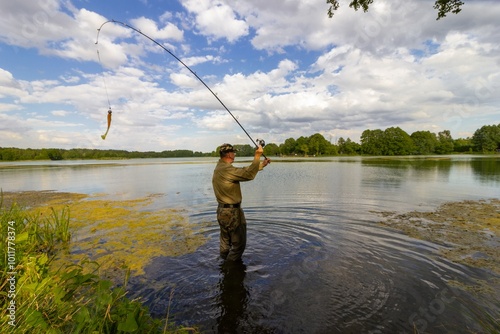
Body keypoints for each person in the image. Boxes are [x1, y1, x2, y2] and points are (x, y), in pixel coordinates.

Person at [212, 143, 270, 261]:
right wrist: (257, 156)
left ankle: (222, 265)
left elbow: (243, 171)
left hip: (222, 211)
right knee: (238, 245)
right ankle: (230, 269)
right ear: (228, 154)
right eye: (233, 152)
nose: (234, 155)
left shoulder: (220, 167)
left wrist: (261, 165)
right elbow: (248, 175)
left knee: (225, 242)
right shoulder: (226, 169)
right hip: (232, 212)